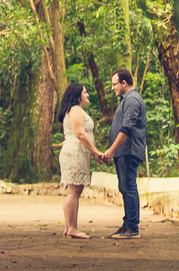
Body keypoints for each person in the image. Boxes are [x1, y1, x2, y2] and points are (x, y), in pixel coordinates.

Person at [100, 69, 146, 239]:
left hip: (129, 150)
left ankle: (132, 226)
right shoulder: (126, 99)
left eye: (115, 84)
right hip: (123, 151)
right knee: (125, 187)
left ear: (124, 83)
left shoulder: (132, 100)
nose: (113, 88)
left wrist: (112, 150)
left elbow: (127, 128)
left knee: (129, 186)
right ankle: (127, 224)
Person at [57, 82, 103, 239]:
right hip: (75, 153)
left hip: (77, 153)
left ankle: (69, 227)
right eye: (85, 92)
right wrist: (96, 152)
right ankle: (72, 228)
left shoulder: (75, 110)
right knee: (74, 192)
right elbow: (80, 134)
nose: (87, 94)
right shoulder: (75, 110)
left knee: (73, 191)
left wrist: (93, 153)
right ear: (77, 95)